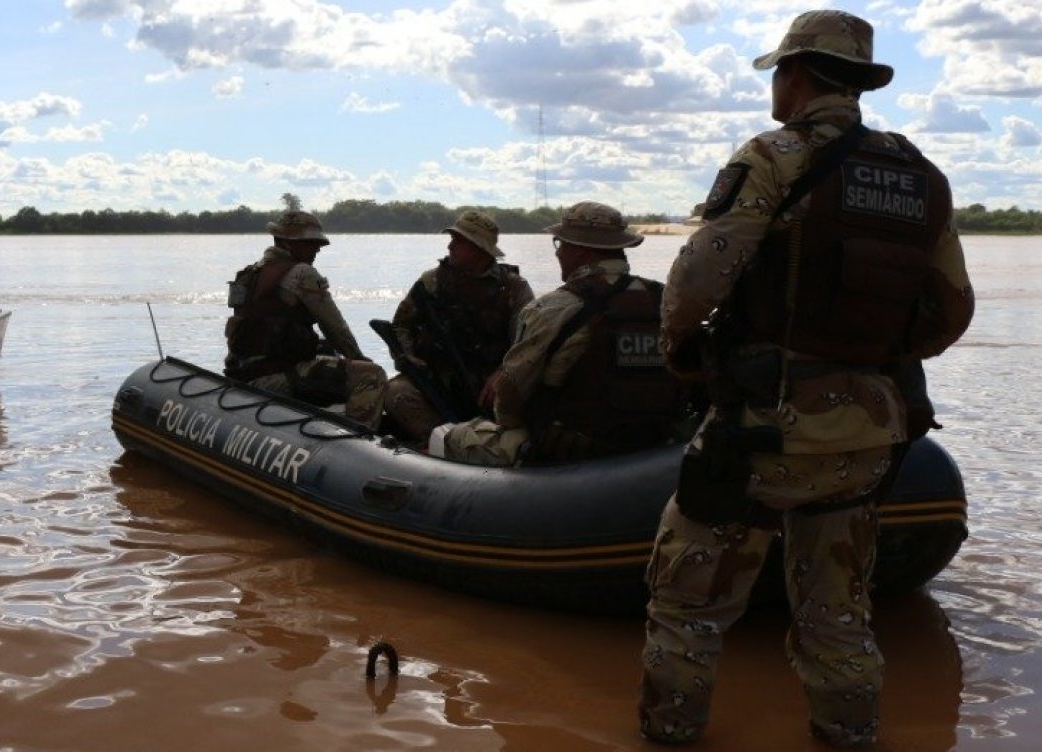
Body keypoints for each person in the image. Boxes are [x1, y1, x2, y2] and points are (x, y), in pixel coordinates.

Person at [637, 10, 974, 748]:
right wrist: (870, 361)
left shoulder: (774, 157)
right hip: (867, 440)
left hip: (765, 429)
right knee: (838, 612)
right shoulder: (921, 177)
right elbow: (953, 311)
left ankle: (669, 734)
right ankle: (850, 735)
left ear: (796, 75)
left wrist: (684, 354)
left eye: (779, 73)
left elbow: (696, 282)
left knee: (687, 607)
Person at [433, 201, 683, 466]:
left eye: (561, 245)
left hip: (571, 451)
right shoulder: (665, 300)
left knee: (446, 436)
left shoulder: (554, 308)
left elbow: (509, 404)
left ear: (581, 250)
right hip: (654, 445)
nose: (558, 253)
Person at [224, 210, 385, 429]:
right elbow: (335, 328)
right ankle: (360, 441)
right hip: (276, 376)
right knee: (371, 376)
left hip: (244, 371)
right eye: (310, 243)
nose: (317, 248)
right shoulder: (303, 273)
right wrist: (358, 358)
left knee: (325, 352)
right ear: (288, 243)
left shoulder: (252, 272)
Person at [382, 210, 533, 443]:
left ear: (479, 248)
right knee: (396, 392)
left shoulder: (514, 288)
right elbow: (401, 324)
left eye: (458, 241)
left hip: (490, 386)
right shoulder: (431, 282)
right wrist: (407, 357)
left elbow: (526, 344)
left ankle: (491, 444)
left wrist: (503, 373)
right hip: (438, 381)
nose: (450, 247)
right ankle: (443, 443)